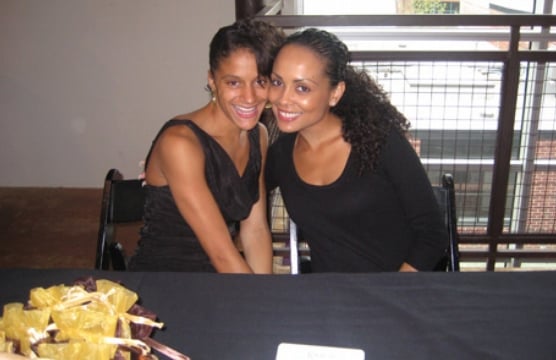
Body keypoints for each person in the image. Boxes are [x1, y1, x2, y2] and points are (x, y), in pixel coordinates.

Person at [265, 28, 448, 273]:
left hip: (398, 288)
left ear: (335, 93)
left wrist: (392, 292)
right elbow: (237, 197)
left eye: (302, 88)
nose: (283, 99)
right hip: (331, 295)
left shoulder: (380, 141)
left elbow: (432, 234)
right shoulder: (281, 155)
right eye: (277, 82)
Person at [127, 19, 285, 273]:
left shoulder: (259, 135)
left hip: (221, 278)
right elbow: (222, 254)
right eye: (233, 82)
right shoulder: (180, 143)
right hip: (165, 280)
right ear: (212, 80)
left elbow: (255, 229)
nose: (249, 97)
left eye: (260, 81)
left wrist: (263, 291)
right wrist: (262, 305)